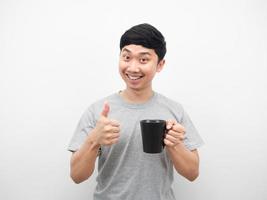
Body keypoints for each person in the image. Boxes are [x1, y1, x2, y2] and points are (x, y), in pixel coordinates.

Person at [68, 23, 204, 200]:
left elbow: (192, 173)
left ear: (160, 64)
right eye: (126, 57)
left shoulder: (174, 111)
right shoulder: (98, 111)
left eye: (143, 59)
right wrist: (94, 140)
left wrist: (174, 144)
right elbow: (77, 176)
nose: (132, 68)